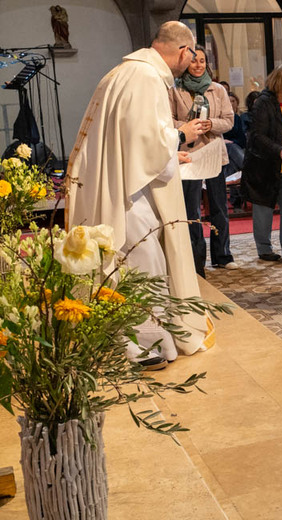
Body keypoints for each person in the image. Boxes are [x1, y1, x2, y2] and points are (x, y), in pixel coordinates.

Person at [66, 21, 211, 370]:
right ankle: (143, 348)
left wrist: (169, 150)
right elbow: (149, 144)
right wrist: (181, 135)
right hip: (128, 195)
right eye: (191, 54)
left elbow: (132, 140)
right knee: (144, 265)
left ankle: (128, 341)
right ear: (183, 51)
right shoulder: (146, 78)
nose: (191, 61)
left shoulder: (125, 71)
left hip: (116, 183)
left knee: (132, 264)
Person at [169, 45, 237, 277]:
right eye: (193, 60)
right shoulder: (175, 89)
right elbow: (168, 120)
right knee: (192, 208)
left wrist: (211, 124)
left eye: (201, 60)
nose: (197, 65)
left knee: (219, 206)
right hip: (189, 155)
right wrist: (189, 126)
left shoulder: (217, 89)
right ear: (186, 63)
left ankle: (223, 255)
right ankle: (196, 259)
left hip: (214, 152)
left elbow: (229, 121)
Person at [242, 64, 282, 263]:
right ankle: (264, 248)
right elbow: (257, 136)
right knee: (263, 207)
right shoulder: (263, 102)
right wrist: (279, 150)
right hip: (264, 162)